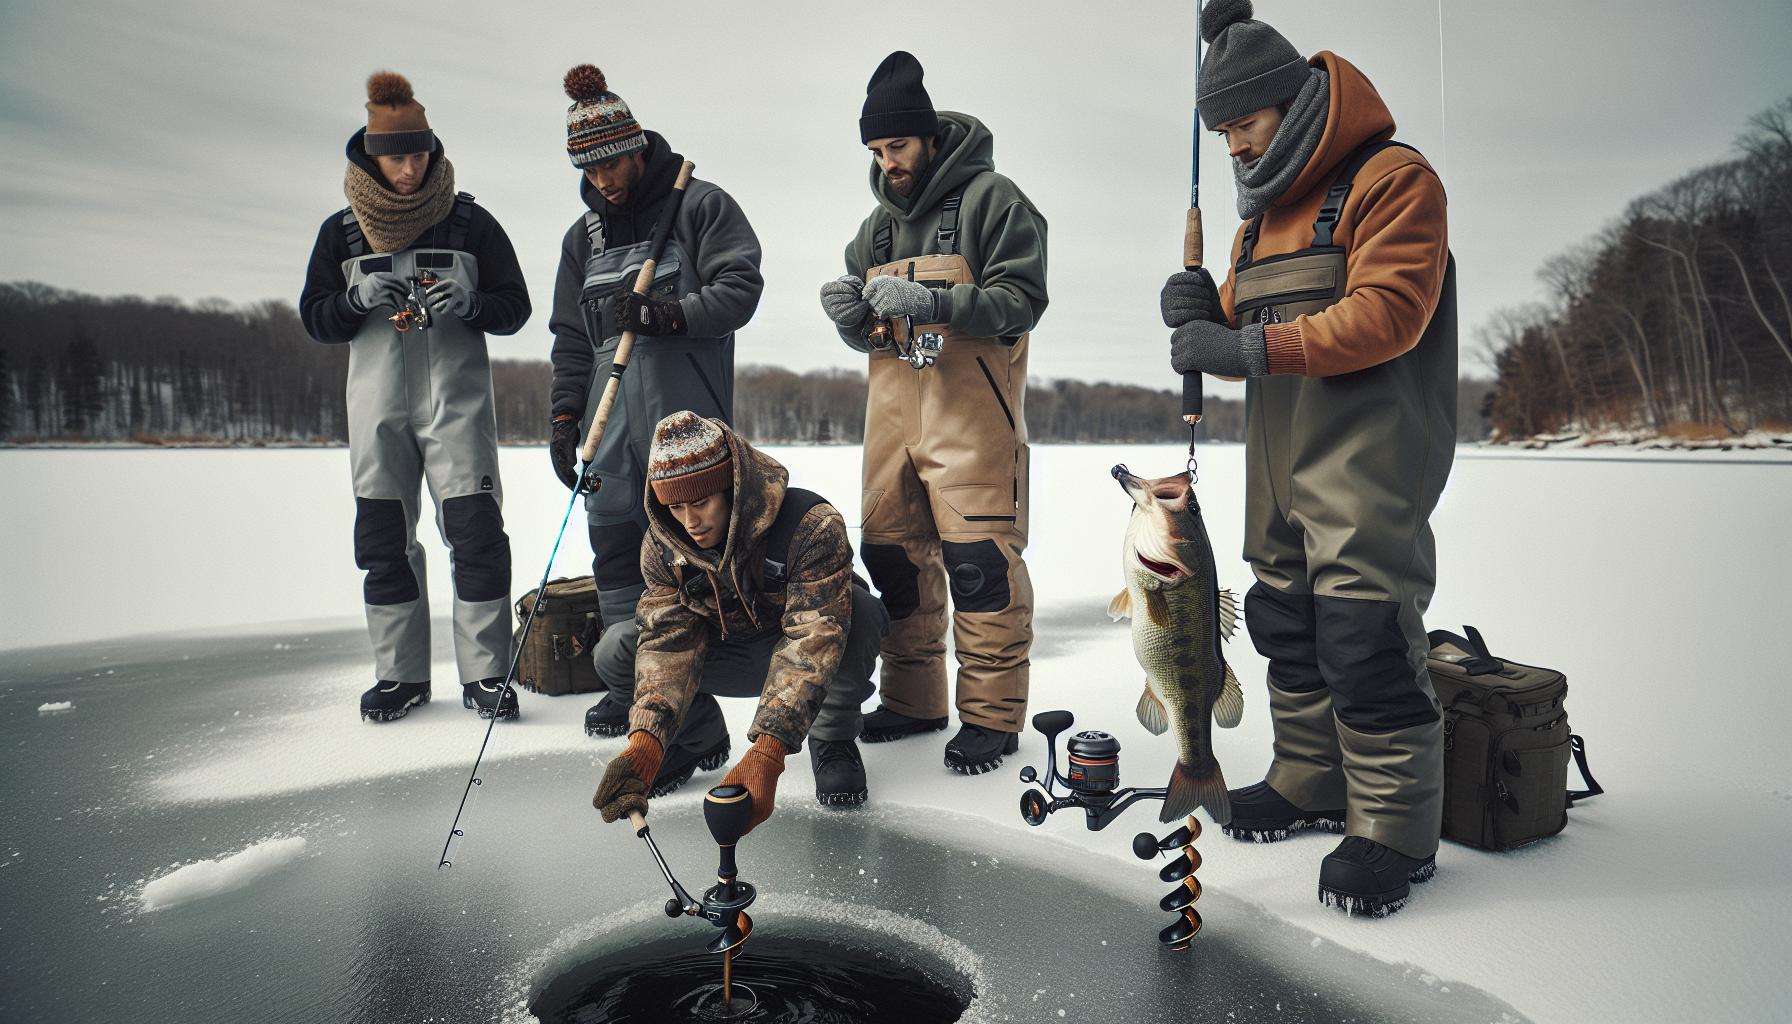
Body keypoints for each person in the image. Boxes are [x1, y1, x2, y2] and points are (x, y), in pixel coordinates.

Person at [1159, 0, 1456, 915]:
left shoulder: (1393, 180)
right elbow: (1249, 321)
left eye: (1242, 126)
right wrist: (1202, 311)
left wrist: (1241, 348)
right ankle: (1307, 779)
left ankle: (1394, 830)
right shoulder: (1256, 221)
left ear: (1287, 104)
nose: (1235, 148)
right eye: (1221, 133)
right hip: (1275, 468)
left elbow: (1388, 315)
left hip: (1370, 460)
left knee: (1364, 638)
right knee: (1285, 623)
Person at [818, 51, 1048, 775]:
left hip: (972, 423)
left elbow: (1023, 303)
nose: (888, 163)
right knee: (894, 563)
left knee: (980, 568)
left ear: (929, 138)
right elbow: (872, 332)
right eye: (876, 151)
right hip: (890, 427)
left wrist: (941, 304)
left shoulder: (993, 201)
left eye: (897, 146)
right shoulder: (874, 232)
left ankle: (992, 718)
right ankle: (916, 702)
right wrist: (850, 321)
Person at [299, 71, 531, 723]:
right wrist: (351, 299)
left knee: (477, 538)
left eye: (420, 154)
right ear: (372, 157)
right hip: (377, 417)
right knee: (381, 543)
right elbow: (315, 318)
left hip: (457, 414)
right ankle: (399, 676)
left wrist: (475, 302)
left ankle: (486, 675)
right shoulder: (341, 234)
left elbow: (516, 309)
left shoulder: (471, 225)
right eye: (397, 156)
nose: (410, 168)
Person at [543, 65, 765, 743]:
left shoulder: (699, 206)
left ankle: (696, 691)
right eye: (590, 168)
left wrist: (671, 314)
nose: (604, 178)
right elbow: (570, 340)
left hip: (686, 426)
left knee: (691, 559)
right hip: (609, 431)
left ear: (637, 146)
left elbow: (741, 288)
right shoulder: (582, 239)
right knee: (615, 555)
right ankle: (631, 680)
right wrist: (562, 417)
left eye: (612, 162)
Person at [590, 412, 890, 818]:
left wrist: (768, 751)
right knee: (618, 648)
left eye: (701, 502)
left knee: (863, 613)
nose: (690, 522)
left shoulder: (812, 526)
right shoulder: (662, 547)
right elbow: (667, 643)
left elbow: (812, 639)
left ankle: (831, 738)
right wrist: (646, 740)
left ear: (733, 487)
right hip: (725, 653)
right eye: (675, 506)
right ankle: (696, 736)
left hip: (799, 649)